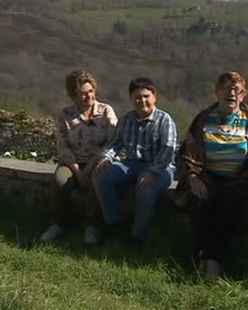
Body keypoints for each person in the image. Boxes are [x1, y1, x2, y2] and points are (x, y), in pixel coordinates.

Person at [175, 71, 248, 280]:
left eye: (236, 90)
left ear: (244, 94)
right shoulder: (204, 119)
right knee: (198, 201)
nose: (230, 93)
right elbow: (188, 151)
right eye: (225, 89)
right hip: (209, 177)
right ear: (216, 92)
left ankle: (213, 263)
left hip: (241, 181)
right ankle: (200, 258)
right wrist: (193, 177)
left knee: (228, 204)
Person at [93, 77, 178, 247]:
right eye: (137, 97)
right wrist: (106, 157)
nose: (142, 101)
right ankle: (114, 224)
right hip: (132, 163)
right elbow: (116, 143)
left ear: (155, 97)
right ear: (131, 99)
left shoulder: (164, 120)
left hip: (162, 167)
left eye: (146, 96)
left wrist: (152, 171)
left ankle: (137, 235)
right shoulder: (127, 119)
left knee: (144, 186)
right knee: (101, 176)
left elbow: (168, 151)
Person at [40, 70, 118, 246]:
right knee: (60, 180)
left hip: (97, 161)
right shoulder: (65, 115)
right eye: (82, 93)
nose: (88, 96)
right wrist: (76, 169)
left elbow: (112, 141)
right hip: (73, 161)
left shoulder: (106, 111)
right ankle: (59, 223)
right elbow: (63, 145)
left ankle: (92, 226)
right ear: (73, 96)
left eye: (90, 91)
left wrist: (89, 168)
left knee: (96, 181)